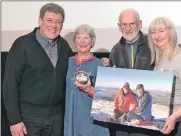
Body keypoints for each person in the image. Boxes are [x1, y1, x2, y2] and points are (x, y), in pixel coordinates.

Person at [2, 3, 73, 136]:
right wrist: (14, 120)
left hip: (56, 119)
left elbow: (75, 72)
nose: (54, 25)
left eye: (59, 22)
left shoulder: (64, 46)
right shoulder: (22, 45)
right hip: (28, 119)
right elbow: (9, 85)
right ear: (40, 20)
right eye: (49, 20)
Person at [103, 9, 154, 136]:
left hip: (142, 116)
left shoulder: (152, 46)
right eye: (124, 25)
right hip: (123, 117)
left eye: (132, 24)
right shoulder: (115, 50)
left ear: (140, 24)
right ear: (119, 27)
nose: (128, 28)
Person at [148, 17, 181, 136]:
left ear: (170, 33)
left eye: (161, 31)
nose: (157, 36)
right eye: (153, 32)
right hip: (167, 124)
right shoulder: (161, 59)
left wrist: (173, 117)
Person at [64, 24, 109, 136]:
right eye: (79, 38)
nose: (82, 41)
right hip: (71, 118)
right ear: (75, 41)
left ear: (92, 42)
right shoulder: (67, 62)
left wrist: (89, 89)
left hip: (90, 120)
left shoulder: (99, 64)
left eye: (86, 38)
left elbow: (106, 97)